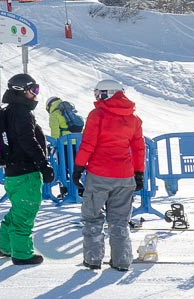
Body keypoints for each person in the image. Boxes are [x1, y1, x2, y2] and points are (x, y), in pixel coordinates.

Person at [71, 79, 145, 272]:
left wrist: (78, 167)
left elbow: (88, 144)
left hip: (99, 174)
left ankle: (93, 259)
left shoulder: (98, 115)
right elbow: (138, 149)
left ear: (106, 94)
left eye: (97, 94)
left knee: (93, 217)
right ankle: (121, 261)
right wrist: (139, 174)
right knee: (119, 220)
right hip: (124, 175)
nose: (96, 98)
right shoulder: (134, 119)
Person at [0, 73, 55, 266]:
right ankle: (22, 253)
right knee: (26, 212)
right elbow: (28, 141)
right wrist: (44, 164)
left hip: (14, 172)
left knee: (18, 210)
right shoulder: (20, 112)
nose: (36, 94)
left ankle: (4, 245)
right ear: (21, 91)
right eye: (33, 90)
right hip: (25, 172)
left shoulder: (11, 111)